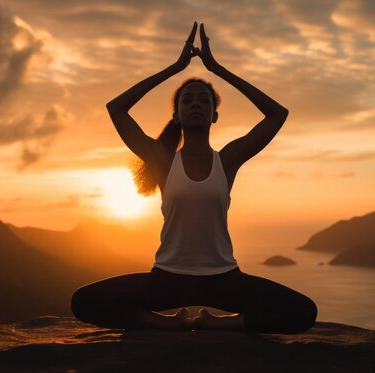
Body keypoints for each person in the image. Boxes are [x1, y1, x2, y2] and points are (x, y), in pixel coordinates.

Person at [71, 22, 317, 333]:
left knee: (304, 312)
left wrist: (217, 68)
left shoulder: (227, 160)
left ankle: (220, 324)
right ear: (177, 115)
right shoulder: (163, 161)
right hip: (167, 279)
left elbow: (276, 114)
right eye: (187, 100)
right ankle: (160, 323)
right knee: (83, 301)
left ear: (215, 114)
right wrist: (175, 68)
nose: (197, 104)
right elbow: (116, 108)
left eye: (205, 100)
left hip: (224, 279)